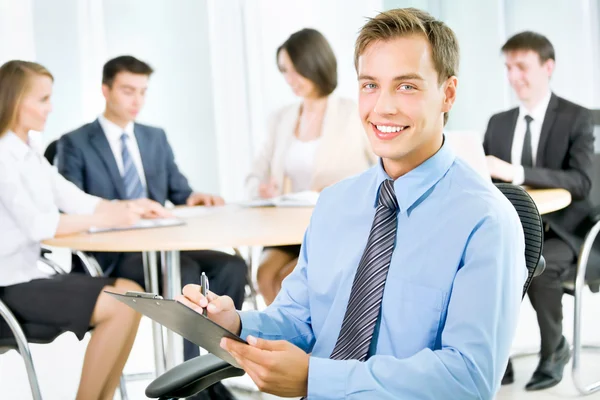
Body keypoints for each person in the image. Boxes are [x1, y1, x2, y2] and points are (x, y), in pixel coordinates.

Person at [178, 8, 527, 399]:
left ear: (447, 94)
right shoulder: (336, 204)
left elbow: (468, 378)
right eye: (370, 86)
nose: (383, 107)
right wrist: (238, 322)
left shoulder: (486, 220)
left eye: (406, 86)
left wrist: (316, 379)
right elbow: (300, 318)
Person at [56, 55, 245, 399]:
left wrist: (195, 197)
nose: (136, 101)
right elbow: (69, 206)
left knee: (232, 265)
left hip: (162, 245)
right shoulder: (76, 143)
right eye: (128, 90)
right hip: (114, 254)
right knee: (186, 271)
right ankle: (190, 389)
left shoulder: (154, 137)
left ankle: (213, 372)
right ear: (105, 90)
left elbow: (178, 191)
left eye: (143, 92)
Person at [0, 60, 160, 399]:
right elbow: (37, 225)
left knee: (134, 295)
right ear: (15, 101)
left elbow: (75, 199)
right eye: (42, 99)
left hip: (31, 276)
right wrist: (105, 219)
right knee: (122, 305)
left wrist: (126, 208)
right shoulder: (2, 155)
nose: (50, 107)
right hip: (8, 286)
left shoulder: (29, 152)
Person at [483, 31, 594, 390]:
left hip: (568, 231)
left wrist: (517, 173)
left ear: (548, 67)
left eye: (522, 66)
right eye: (508, 67)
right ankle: (498, 355)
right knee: (484, 263)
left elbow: (582, 182)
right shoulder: (499, 123)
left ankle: (554, 349)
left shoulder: (577, 119)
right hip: (515, 226)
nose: (514, 76)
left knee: (538, 267)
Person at [247, 28, 376, 305]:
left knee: (287, 279)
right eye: (284, 71)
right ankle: (281, 340)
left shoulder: (353, 113)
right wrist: (261, 188)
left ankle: (303, 343)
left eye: (296, 70)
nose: (290, 79)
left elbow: (383, 168)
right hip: (288, 228)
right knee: (264, 274)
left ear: (316, 63)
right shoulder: (279, 119)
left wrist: (343, 189)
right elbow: (254, 174)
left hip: (336, 225)